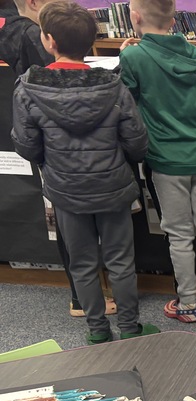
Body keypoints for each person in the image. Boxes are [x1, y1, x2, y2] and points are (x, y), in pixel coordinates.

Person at [11, 0, 157, 344]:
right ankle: (131, 328)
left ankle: (97, 331)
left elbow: (27, 146)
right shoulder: (113, 85)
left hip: (65, 191)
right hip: (112, 185)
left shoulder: (29, 88)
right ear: (91, 41)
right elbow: (137, 142)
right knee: (121, 260)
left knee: (82, 262)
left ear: (49, 41)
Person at [119, 0, 196, 323]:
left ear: (134, 17)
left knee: (179, 236)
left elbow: (127, 105)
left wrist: (125, 55)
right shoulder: (194, 55)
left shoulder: (133, 57)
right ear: (174, 20)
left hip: (164, 161)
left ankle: (187, 305)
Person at [0, 0, 118, 319]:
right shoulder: (32, 37)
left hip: (48, 146)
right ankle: (82, 298)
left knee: (67, 223)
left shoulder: (13, 30)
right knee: (75, 227)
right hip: (65, 143)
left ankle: (83, 295)